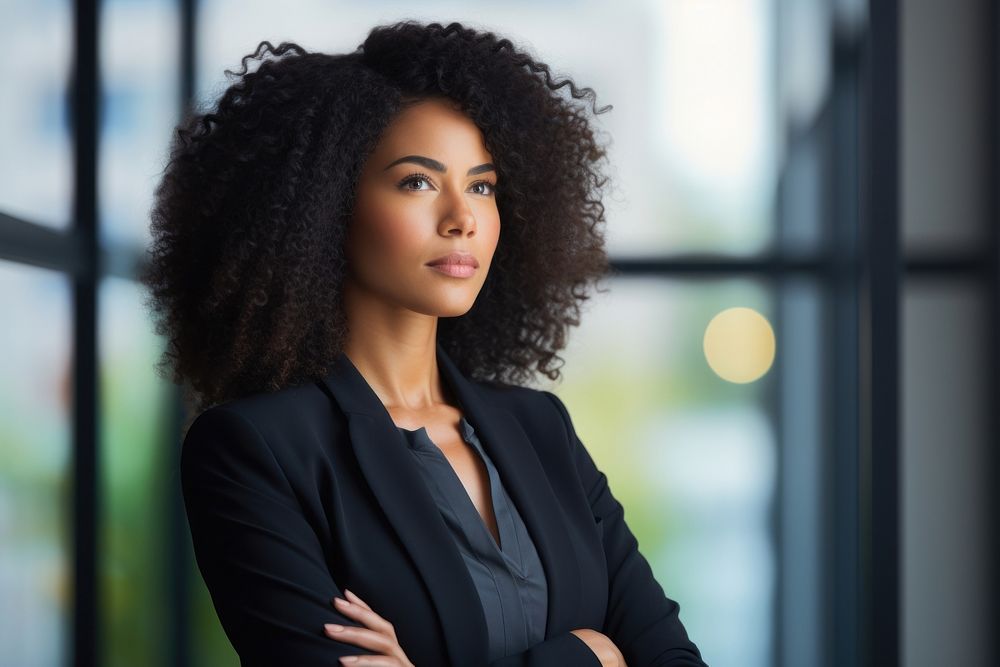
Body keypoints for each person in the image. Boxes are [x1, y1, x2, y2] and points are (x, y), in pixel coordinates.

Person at [140, 20, 707, 667]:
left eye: (482, 185)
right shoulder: (253, 451)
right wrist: (588, 654)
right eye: (417, 181)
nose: (462, 217)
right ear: (325, 206)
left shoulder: (539, 427)